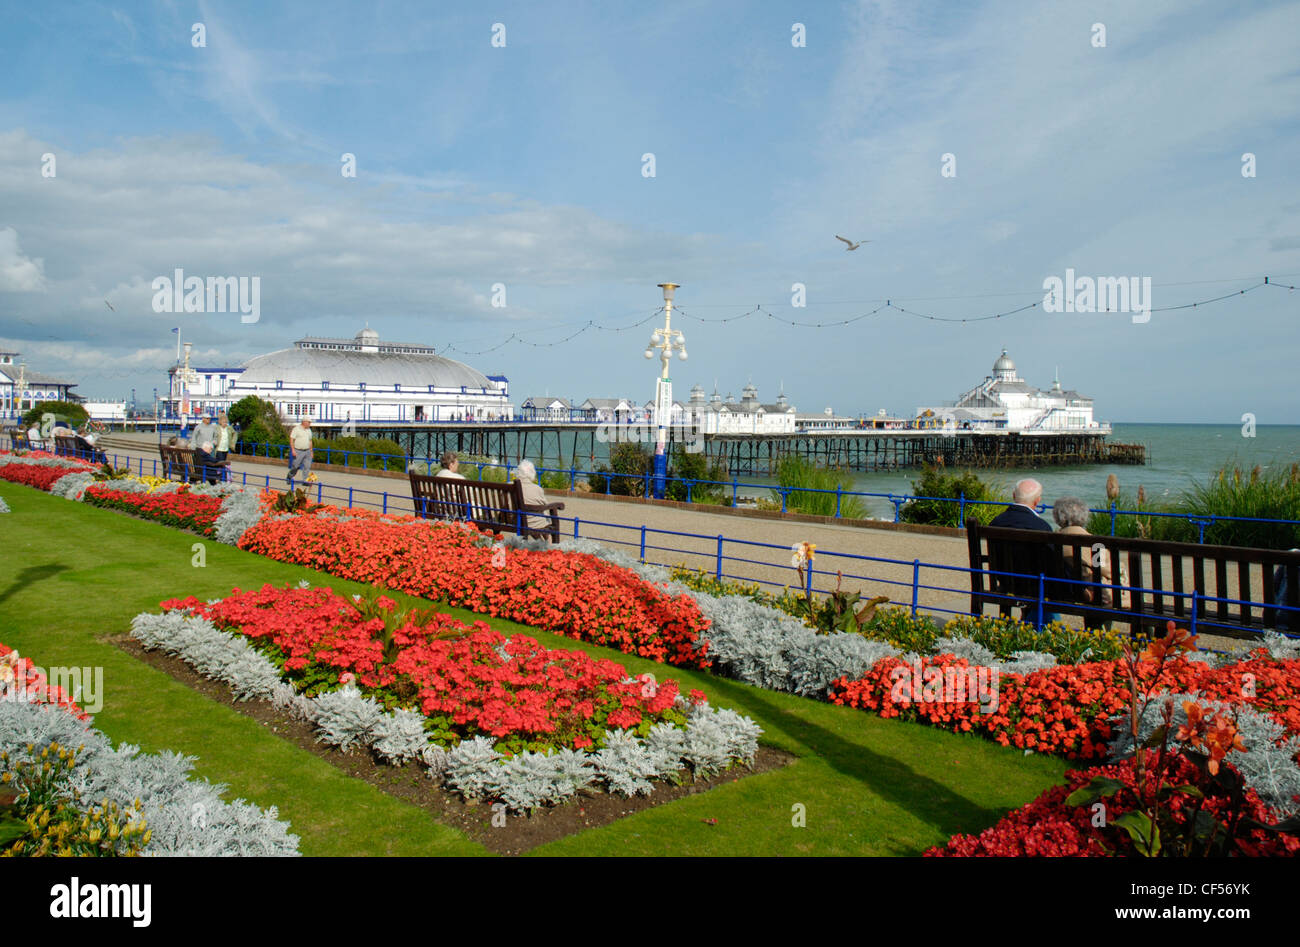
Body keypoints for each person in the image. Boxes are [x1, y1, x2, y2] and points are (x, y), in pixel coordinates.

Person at [989, 478, 1065, 626]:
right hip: (1033, 586)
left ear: (1013, 495)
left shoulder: (996, 522)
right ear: (1037, 501)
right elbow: (1050, 564)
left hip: (1004, 582)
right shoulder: (1041, 527)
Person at [1053, 496, 1128, 629]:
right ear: (1084, 516)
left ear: (1057, 517)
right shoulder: (1095, 544)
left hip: (1062, 591)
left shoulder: (1052, 540)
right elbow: (1105, 572)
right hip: (1092, 595)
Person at [513, 459, 551, 534]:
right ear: (532, 473)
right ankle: (548, 543)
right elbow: (545, 504)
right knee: (546, 513)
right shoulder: (537, 489)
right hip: (533, 523)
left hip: (513, 521)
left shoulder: (509, 486)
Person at [287, 417, 313, 490]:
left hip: (307, 450)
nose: (310, 424)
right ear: (304, 422)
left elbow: (310, 441)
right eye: (309, 422)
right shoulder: (296, 429)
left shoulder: (309, 430)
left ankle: (305, 480)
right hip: (298, 450)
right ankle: (290, 476)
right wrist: (293, 450)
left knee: (307, 466)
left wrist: (311, 451)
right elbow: (292, 439)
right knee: (296, 465)